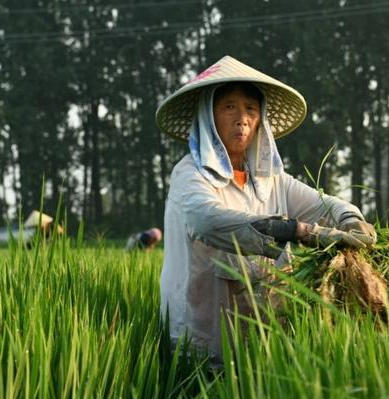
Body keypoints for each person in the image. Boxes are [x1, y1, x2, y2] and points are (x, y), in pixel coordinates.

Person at [156, 56, 377, 363]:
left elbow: (322, 203)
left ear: (260, 120)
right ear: (209, 116)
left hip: (265, 338)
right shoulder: (190, 175)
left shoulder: (271, 180)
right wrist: (295, 230)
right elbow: (206, 220)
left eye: (250, 109)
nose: (242, 118)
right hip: (203, 336)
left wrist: (350, 218)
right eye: (229, 106)